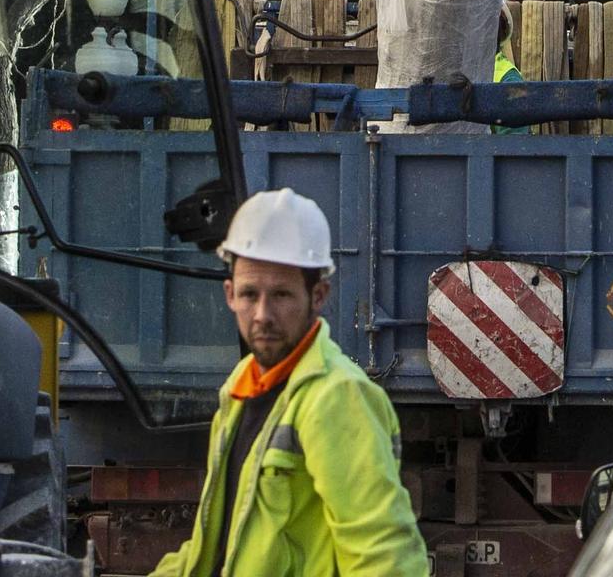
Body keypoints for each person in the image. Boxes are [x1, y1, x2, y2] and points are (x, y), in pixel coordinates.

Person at [153, 188, 428, 577]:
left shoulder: (335, 396)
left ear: (318, 295)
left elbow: (385, 558)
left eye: (281, 294)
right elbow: (213, 548)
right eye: (250, 294)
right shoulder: (240, 388)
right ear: (230, 295)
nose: (262, 314)